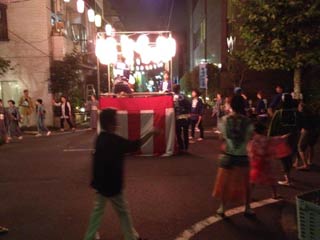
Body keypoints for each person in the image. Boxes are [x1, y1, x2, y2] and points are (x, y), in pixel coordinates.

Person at [83, 108, 159, 240]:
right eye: (115, 120)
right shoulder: (114, 140)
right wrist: (151, 133)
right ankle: (130, 237)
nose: (117, 122)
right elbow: (135, 145)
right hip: (113, 185)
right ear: (110, 123)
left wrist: (96, 182)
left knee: (98, 212)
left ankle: (89, 236)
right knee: (123, 212)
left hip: (101, 184)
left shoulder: (100, 139)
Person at [213, 95, 254, 217]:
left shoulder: (225, 120)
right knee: (245, 183)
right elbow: (250, 136)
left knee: (224, 183)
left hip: (228, 155)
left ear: (231, 105)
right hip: (242, 155)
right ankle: (247, 207)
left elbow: (222, 138)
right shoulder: (248, 121)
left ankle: (222, 207)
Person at [248, 123, 291, 199]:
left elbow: (250, 150)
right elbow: (277, 139)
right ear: (263, 131)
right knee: (271, 179)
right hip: (264, 162)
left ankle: (248, 195)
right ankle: (274, 194)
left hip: (255, 162)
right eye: (266, 130)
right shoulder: (265, 139)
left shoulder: (253, 140)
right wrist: (286, 136)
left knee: (253, 179)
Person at [268, 94, 300, 186]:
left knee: (284, 158)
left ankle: (288, 179)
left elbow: (272, 127)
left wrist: (270, 138)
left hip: (282, 139)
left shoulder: (279, 113)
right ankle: (288, 175)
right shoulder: (295, 112)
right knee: (289, 157)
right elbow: (299, 124)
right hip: (293, 138)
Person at [294, 102, 320, 169]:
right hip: (315, 131)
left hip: (307, 131)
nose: (298, 108)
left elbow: (299, 125)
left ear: (302, 108)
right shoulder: (313, 114)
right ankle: (309, 161)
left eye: (299, 107)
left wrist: (301, 129)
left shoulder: (302, 115)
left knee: (300, 147)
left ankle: (305, 165)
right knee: (311, 145)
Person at [173, 85, 191, 152]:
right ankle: (185, 147)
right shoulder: (183, 96)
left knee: (178, 133)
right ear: (179, 89)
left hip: (177, 117)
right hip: (185, 116)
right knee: (185, 133)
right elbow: (189, 105)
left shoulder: (172, 97)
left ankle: (181, 146)